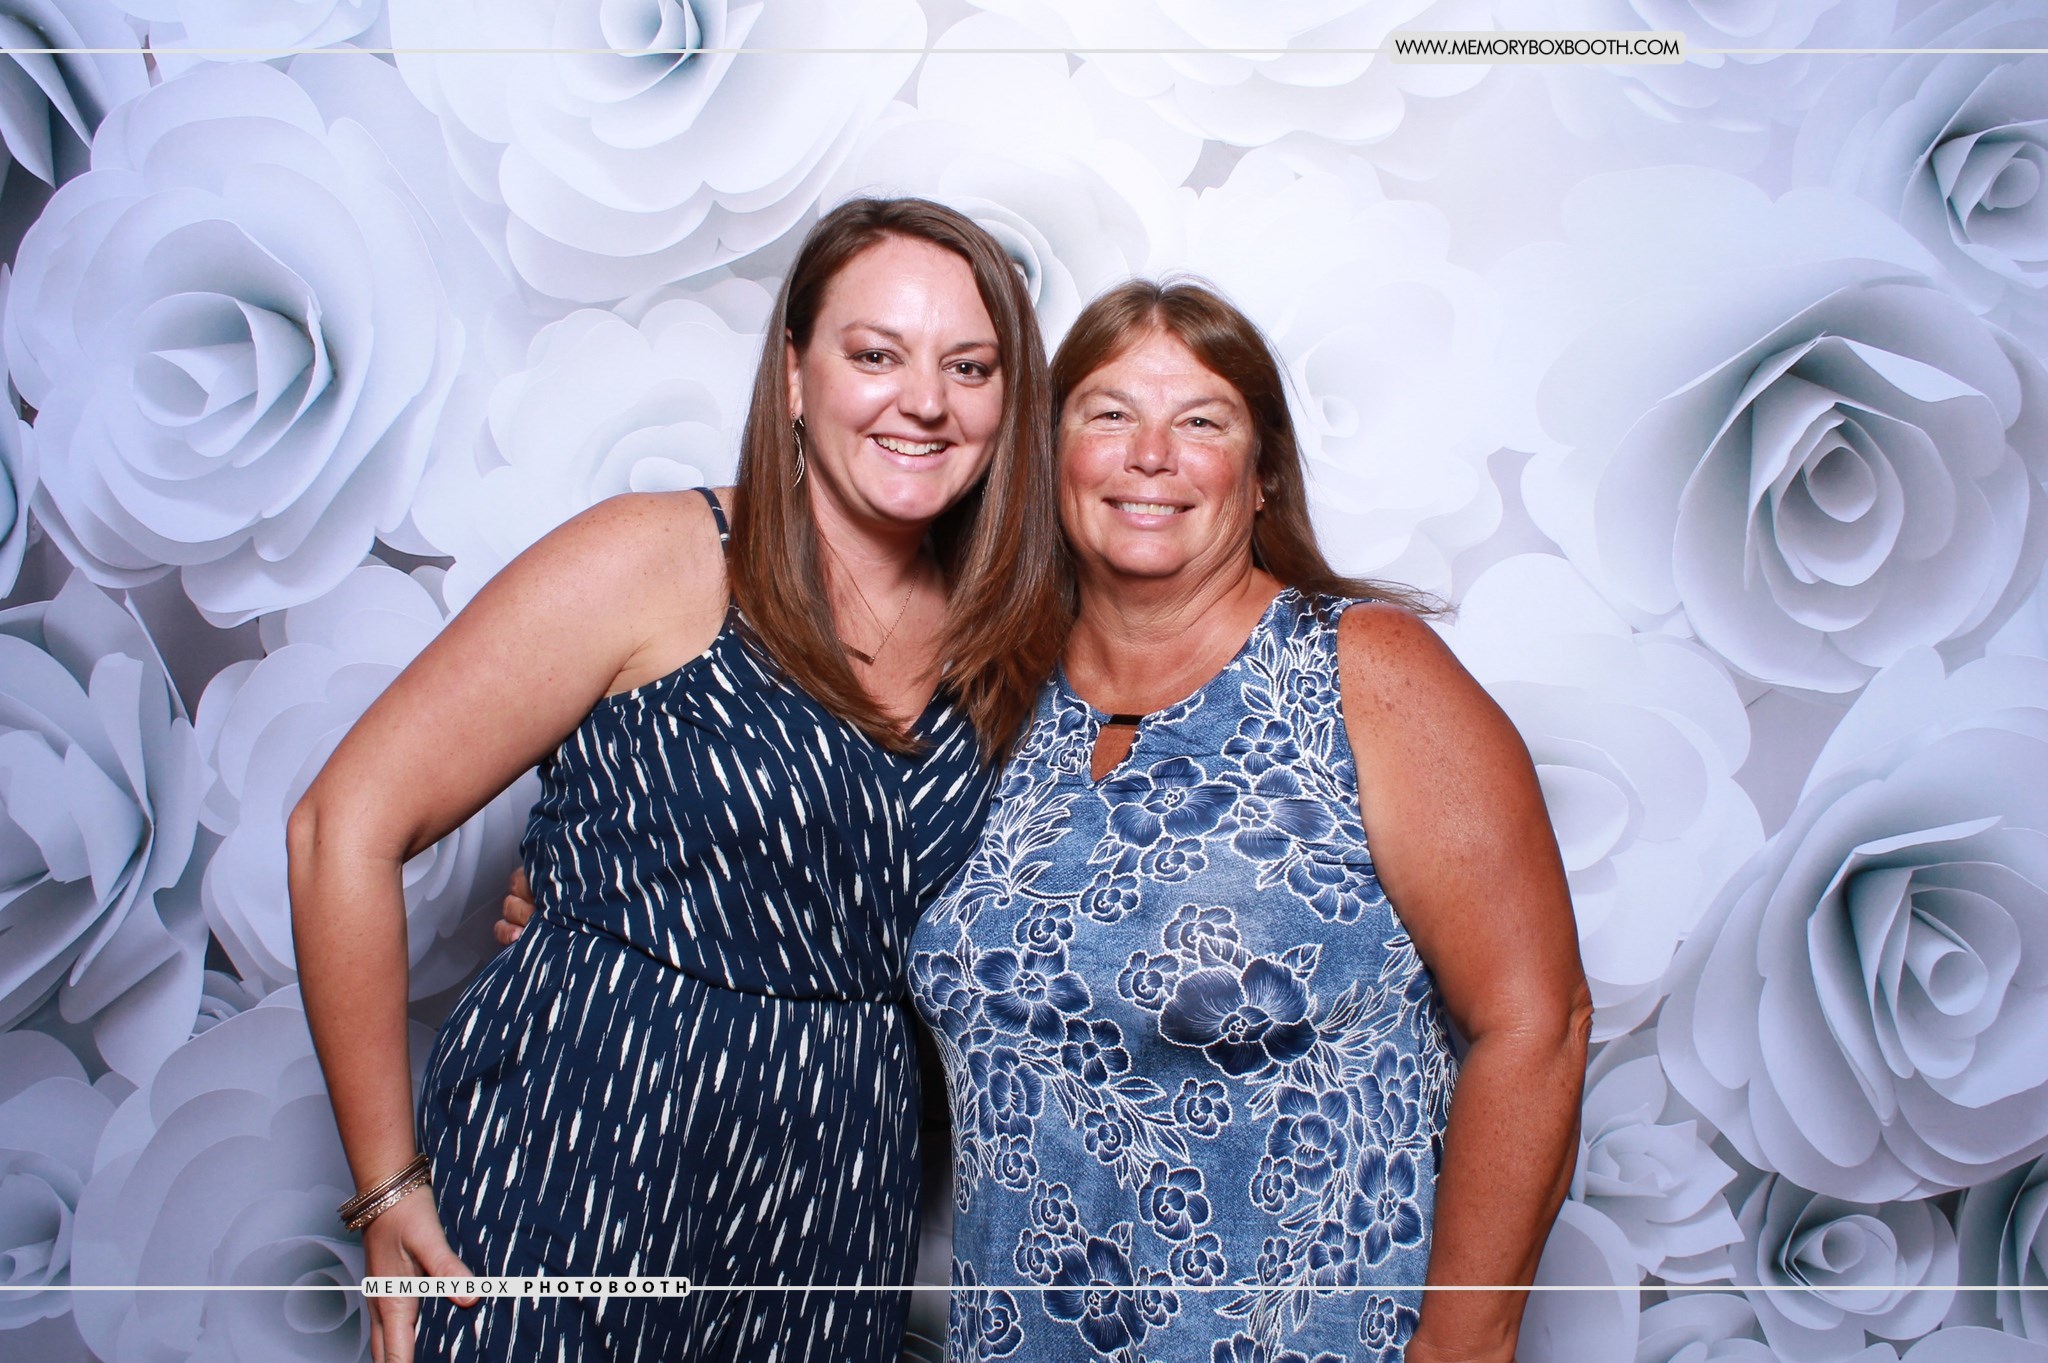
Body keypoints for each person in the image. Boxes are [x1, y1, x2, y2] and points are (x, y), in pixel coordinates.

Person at [287, 196, 1067, 1363]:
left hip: (833, 1207)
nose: (924, 400)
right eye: (875, 355)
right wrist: (386, 1185)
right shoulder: (659, 559)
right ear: (793, 375)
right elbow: (339, 825)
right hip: (583, 1154)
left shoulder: (1008, 643)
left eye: (968, 366)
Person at [905, 279, 1591, 1363]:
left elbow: (1535, 1020)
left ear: (1262, 472)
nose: (1150, 455)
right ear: (1049, 456)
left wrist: (1463, 1345)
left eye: (1201, 421)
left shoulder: (1362, 671)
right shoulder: (989, 701)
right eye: (1110, 413)